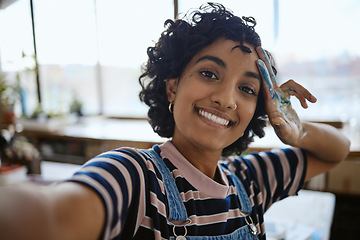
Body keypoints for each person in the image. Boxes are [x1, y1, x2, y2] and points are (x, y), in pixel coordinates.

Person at [0, 2, 350, 240]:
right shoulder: (135, 176)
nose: (226, 99)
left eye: (246, 89)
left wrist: (299, 131)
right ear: (172, 87)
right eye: (210, 73)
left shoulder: (251, 180)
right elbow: (52, 217)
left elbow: (337, 151)